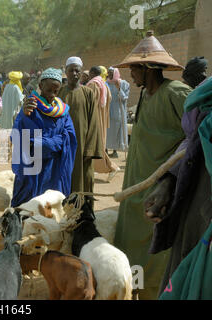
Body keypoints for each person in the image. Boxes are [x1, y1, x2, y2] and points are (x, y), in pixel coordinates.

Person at [113, 31, 192, 300]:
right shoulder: (146, 95)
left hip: (159, 191)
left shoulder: (177, 93)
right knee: (130, 246)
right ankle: (136, 289)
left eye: (134, 68)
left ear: (148, 68)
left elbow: (198, 132)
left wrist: (170, 180)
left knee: (157, 250)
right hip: (135, 188)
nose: (130, 74)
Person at [144, 63, 212, 299]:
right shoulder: (202, 100)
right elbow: (191, 141)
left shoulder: (176, 93)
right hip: (196, 208)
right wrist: (169, 180)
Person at [11, 68, 77, 207]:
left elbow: (69, 137)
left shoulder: (63, 111)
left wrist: (42, 143)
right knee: (28, 206)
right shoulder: (30, 108)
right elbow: (18, 137)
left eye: (56, 91)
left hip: (55, 167)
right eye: (49, 90)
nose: (52, 95)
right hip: (33, 169)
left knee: (51, 206)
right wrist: (23, 115)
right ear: (40, 86)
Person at [57, 57, 103, 195]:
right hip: (63, 143)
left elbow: (94, 122)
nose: (74, 74)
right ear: (66, 72)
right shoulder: (59, 93)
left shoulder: (88, 93)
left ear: (82, 72)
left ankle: (84, 211)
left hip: (83, 145)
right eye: (71, 70)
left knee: (84, 177)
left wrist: (90, 149)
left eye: (77, 70)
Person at [87, 66, 120, 182]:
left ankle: (112, 167)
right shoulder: (104, 84)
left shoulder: (93, 85)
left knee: (96, 147)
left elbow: (89, 103)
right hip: (102, 119)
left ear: (92, 73)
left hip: (95, 120)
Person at [106, 67, 130, 158]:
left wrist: (119, 88)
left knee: (117, 132)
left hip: (118, 112)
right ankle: (106, 150)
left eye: (111, 73)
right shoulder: (106, 83)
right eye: (108, 73)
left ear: (116, 73)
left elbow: (124, 98)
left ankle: (115, 151)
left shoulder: (124, 84)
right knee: (107, 131)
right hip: (108, 111)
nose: (109, 74)